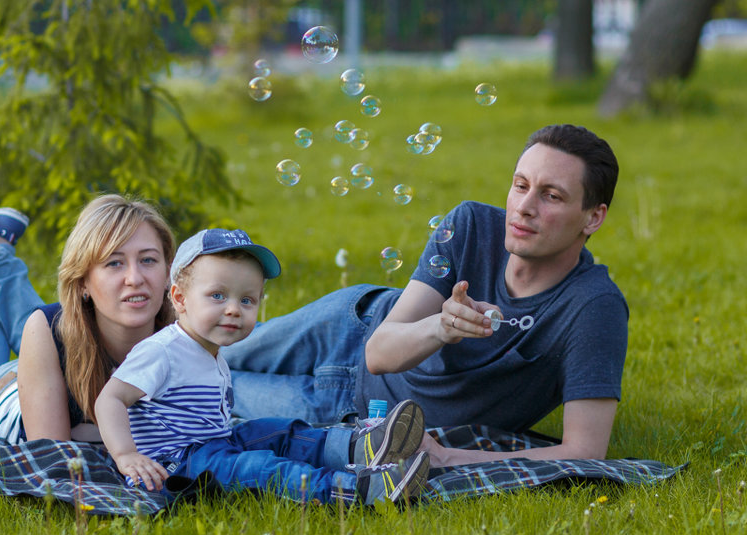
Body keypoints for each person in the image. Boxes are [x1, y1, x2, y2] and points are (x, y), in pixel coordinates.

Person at [221, 124, 626, 467]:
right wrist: (442, 326)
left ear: (593, 217)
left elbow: (585, 452)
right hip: (348, 327)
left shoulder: (592, 308)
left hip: (352, 411)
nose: (523, 207)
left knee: (199, 389)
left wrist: (448, 456)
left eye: (551, 196)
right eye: (520, 186)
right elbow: (378, 354)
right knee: (205, 344)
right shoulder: (472, 226)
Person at [93, 228, 430, 506]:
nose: (233, 310)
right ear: (179, 298)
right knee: (260, 467)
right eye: (217, 296)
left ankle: (360, 447)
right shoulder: (162, 351)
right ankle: (357, 491)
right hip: (176, 465)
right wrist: (126, 456)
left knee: (278, 431)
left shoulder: (210, 352)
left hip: (215, 444)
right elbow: (110, 399)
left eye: (246, 300)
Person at [0, 195, 175, 444]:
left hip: (46, 366)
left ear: (168, 272)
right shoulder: (48, 330)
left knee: (51, 330)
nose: (135, 278)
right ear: (83, 281)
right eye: (114, 263)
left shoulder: (188, 334)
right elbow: (53, 458)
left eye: (148, 260)